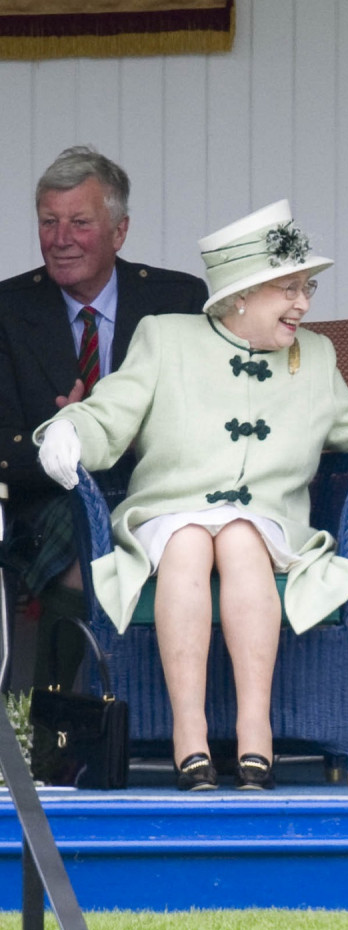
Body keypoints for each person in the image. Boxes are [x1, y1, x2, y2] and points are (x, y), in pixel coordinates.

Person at [35, 198, 348, 792]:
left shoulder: (316, 355)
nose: (303, 303)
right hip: (169, 515)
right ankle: (188, 733)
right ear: (239, 294)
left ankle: (255, 733)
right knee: (191, 539)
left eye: (308, 289)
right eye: (289, 289)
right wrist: (68, 430)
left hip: (269, 523)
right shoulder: (166, 338)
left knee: (243, 536)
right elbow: (108, 413)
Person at [0, 145, 208, 698]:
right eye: (49, 221)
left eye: (80, 222)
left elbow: (202, 421)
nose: (60, 238)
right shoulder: (7, 309)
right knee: (81, 543)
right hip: (49, 500)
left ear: (119, 231)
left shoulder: (178, 299)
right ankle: (53, 734)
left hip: (159, 494)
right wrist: (56, 437)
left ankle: (166, 723)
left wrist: (109, 434)